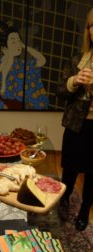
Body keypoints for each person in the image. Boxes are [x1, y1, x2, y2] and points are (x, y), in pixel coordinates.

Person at [57, 8, 93, 231]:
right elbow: (60, 92)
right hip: (75, 125)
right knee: (69, 168)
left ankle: (84, 211)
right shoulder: (78, 59)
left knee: (92, 172)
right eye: (91, 25)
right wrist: (74, 81)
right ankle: (63, 201)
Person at [0, 21, 49, 110]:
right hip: (0, 109)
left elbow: (42, 60)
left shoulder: (22, 65)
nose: (18, 45)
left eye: (19, 40)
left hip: (21, 110)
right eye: (13, 42)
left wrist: (23, 45)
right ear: (4, 47)